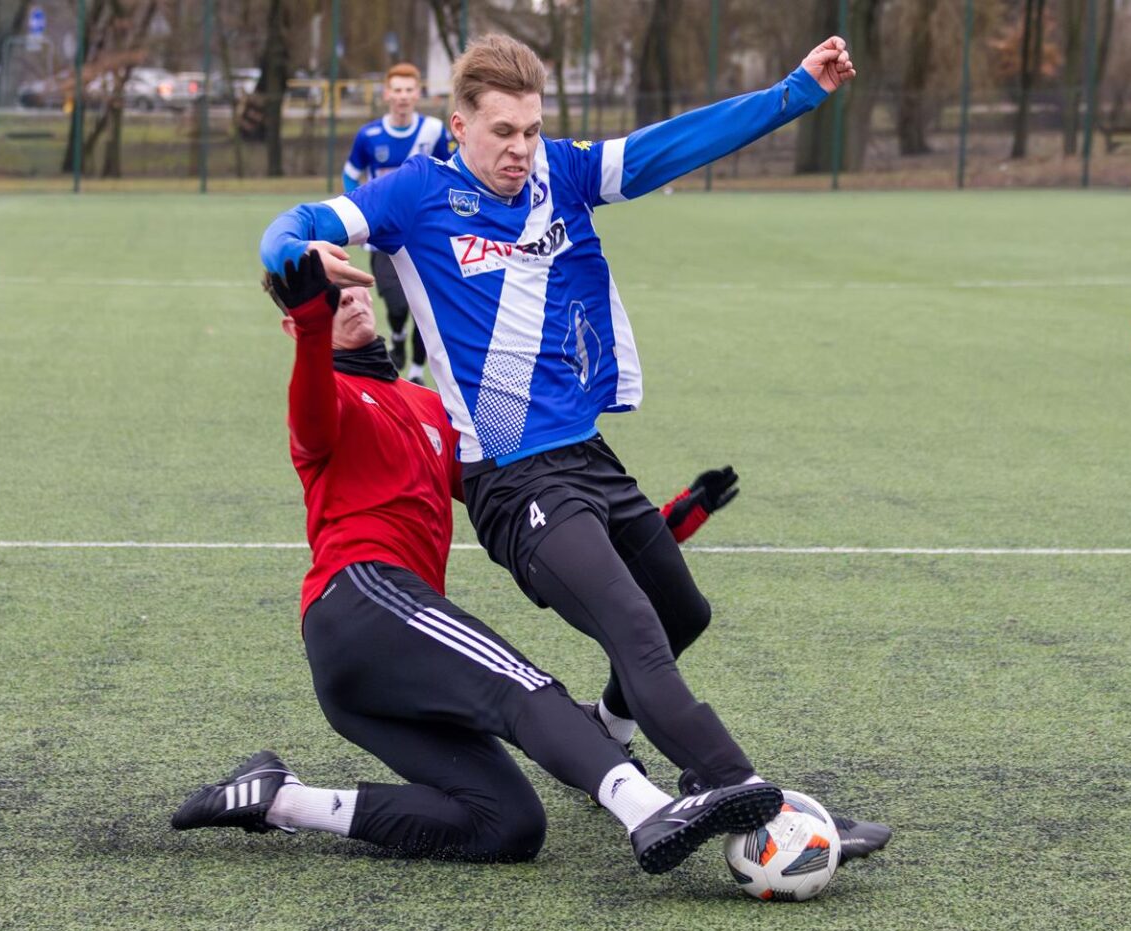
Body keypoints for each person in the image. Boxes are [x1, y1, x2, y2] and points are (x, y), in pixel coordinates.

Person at [259, 33, 888, 859]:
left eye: (531, 129)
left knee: (682, 612)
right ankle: (761, 810)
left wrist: (794, 92)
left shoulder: (563, 171)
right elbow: (297, 224)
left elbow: (671, 147)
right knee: (634, 630)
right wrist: (295, 252)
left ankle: (606, 728)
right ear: (459, 126)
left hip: (587, 457)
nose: (520, 149)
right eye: (502, 132)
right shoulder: (414, 195)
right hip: (513, 481)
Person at [170, 251, 782, 874]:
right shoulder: (329, 396)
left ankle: (282, 800)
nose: (347, 300)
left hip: (368, 672)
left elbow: (528, 509)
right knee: (525, 689)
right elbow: (310, 420)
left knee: (508, 825)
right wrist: (309, 325)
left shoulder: (430, 409)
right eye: (328, 299)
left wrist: (668, 523)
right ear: (298, 321)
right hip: (362, 598)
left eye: (350, 289)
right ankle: (648, 810)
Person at [343, 62, 453, 384]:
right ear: (387, 94)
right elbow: (350, 174)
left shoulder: (434, 130)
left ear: (417, 94)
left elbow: (448, 171)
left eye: (409, 90)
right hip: (383, 234)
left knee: (425, 306)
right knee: (396, 303)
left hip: (424, 234)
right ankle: (397, 334)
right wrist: (360, 210)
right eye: (397, 90)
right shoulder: (369, 135)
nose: (403, 96)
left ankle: (417, 371)